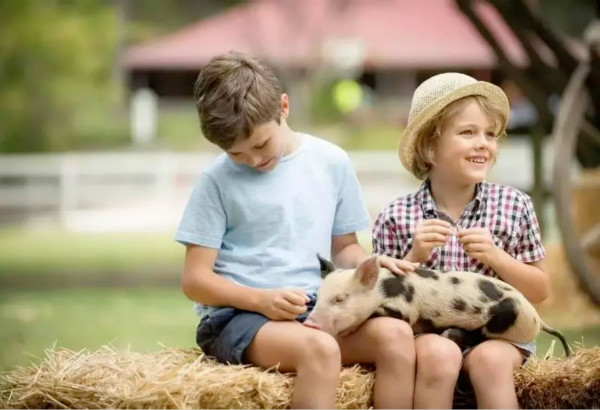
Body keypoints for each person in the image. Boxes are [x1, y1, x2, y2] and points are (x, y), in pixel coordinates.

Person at [175, 51, 418, 409]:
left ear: (283, 107)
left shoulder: (331, 162)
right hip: (237, 318)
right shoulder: (216, 180)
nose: (254, 161)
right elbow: (195, 281)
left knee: (397, 337)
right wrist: (261, 300)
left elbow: (345, 248)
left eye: (260, 144)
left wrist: (372, 264)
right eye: (236, 154)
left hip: (311, 310)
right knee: (320, 350)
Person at [372, 72, 550, 409]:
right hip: (430, 335)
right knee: (439, 355)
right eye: (468, 132)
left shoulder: (514, 205)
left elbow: (540, 290)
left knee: (490, 363)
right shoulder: (397, 215)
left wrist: (498, 257)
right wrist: (414, 255)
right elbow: (381, 304)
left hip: (500, 335)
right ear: (429, 147)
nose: (483, 143)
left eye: (490, 134)